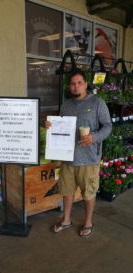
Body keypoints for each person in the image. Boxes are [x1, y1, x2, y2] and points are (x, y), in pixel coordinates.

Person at [45, 69, 112, 237]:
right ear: (70, 86)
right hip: (67, 158)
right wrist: (50, 126)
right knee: (67, 191)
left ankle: (88, 222)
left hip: (89, 159)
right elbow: (61, 127)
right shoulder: (66, 105)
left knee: (88, 192)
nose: (76, 86)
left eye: (79, 83)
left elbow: (108, 126)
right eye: (73, 84)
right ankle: (66, 219)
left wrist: (94, 137)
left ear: (85, 85)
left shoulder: (97, 103)